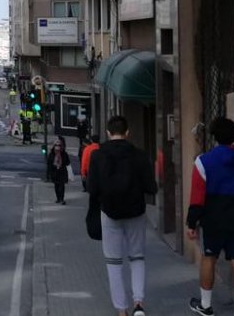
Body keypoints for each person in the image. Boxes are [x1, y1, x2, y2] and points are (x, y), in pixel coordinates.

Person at [187, 118, 234, 316]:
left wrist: (191, 223)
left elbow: (197, 196)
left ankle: (205, 305)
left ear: (214, 137)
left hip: (213, 220)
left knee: (208, 258)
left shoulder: (203, 161)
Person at [87, 115, 158, 316]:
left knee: (113, 262)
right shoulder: (140, 155)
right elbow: (151, 187)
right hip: (136, 212)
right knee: (137, 257)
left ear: (108, 133)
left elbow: (92, 188)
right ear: (127, 133)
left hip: (109, 213)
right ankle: (139, 304)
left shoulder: (98, 155)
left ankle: (121, 309)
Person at [46, 137, 71, 204]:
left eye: (59, 146)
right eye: (56, 146)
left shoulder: (62, 154)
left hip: (61, 172)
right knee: (58, 186)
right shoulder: (53, 154)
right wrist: (48, 174)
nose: (57, 148)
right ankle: (59, 198)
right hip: (56, 172)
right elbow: (49, 164)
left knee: (60, 186)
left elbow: (67, 162)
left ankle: (60, 199)